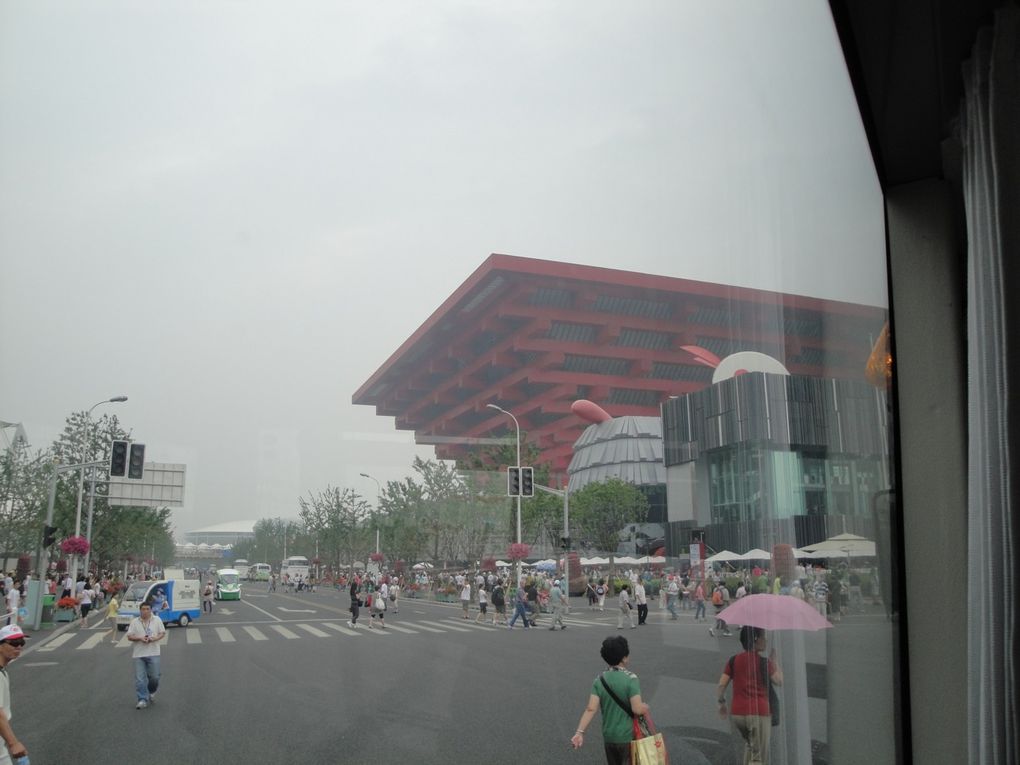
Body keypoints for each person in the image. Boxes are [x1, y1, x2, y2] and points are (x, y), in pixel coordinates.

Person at [570, 635, 650, 764]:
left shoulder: (599, 680)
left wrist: (579, 732)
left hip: (609, 737)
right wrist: (645, 707)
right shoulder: (631, 679)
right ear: (624, 658)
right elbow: (637, 708)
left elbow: (590, 709)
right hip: (627, 736)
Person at [717, 626, 783, 765]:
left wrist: (722, 702)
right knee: (758, 757)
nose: (765, 639)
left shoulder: (733, 660)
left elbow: (721, 685)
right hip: (758, 714)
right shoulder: (765, 662)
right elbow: (779, 681)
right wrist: (775, 662)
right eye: (763, 636)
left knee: (751, 747)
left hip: (738, 715)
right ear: (756, 639)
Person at [127, 602, 166, 710]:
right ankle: (142, 699)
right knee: (140, 679)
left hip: (153, 652)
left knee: (154, 677)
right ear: (140, 610)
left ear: (151, 610)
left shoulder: (157, 620)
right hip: (139, 654)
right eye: (143, 609)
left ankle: (152, 691)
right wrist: (140, 638)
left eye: (147, 609)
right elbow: (129, 636)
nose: (145, 611)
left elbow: (162, 633)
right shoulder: (134, 622)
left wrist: (155, 639)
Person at [0, 625, 29, 765]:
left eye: (21, 643)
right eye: (14, 643)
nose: (19, 646)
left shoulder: (2, 671)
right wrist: (13, 743)